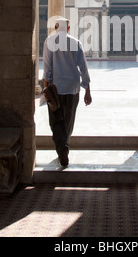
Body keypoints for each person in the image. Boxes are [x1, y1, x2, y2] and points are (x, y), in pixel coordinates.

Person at [43, 17, 92, 167]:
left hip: (56, 88)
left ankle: (62, 150)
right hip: (72, 87)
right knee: (68, 121)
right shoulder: (76, 42)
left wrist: (46, 87)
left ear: (56, 27)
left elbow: (47, 67)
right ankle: (64, 149)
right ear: (69, 28)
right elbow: (83, 67)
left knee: (56, 121)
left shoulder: (49, 42)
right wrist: (87, 90)